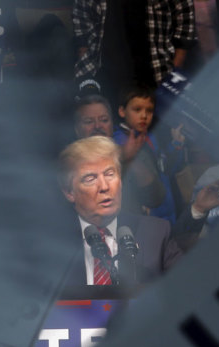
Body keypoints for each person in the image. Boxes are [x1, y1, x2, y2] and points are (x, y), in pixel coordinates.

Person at [58, 136, 183, 286]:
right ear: (69, 192)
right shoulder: (49, 243)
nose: (104, 187)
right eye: (90, 179)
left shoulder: (157, 233)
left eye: (110, 174)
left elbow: (185, 293)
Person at [72, 0, 196, 108]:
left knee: (155, 129)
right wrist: (87, 71)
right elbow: (82, 22)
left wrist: (171, 79)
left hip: (157, 74)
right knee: (109, 130)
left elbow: (185, 28)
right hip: (107, 75)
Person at [74, 94, 166, 216]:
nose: (97, 126)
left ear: (112, 125)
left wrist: (131, 159)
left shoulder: (130, 150)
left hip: (131, 232)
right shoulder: (69, 161)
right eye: (89, 121)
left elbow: (156, 198)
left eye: (104, 120)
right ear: (77, 129)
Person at [113, 85, 186, 225]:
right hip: (142, 218)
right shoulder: (118, 141)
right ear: (122, 111)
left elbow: (164, 168)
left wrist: (176, 144)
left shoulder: (149, 137)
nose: (144, 116)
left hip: (166, 211)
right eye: (137, 109)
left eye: (149, 110)